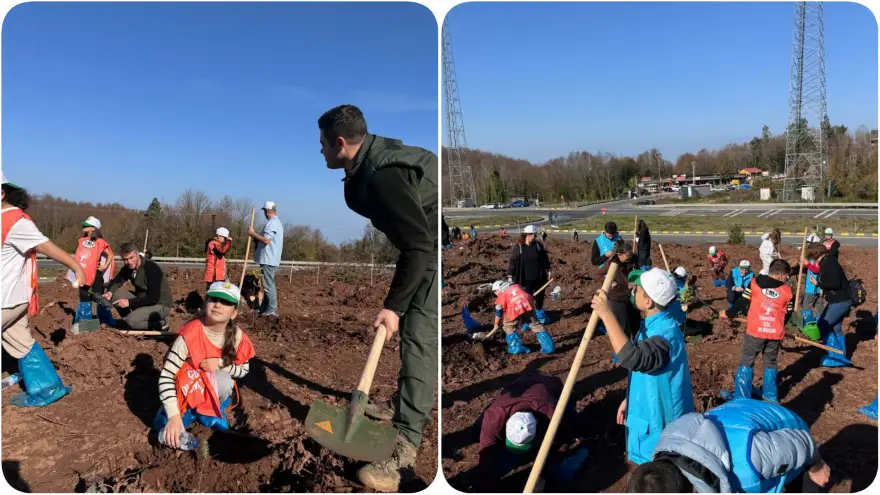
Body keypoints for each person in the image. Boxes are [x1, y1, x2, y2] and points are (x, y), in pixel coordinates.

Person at [318, 104, 437, 491]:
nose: (319, 150)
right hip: (419, 244)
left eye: (322, 143)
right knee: (408, 334)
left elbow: (419, 246)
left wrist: (394, 306)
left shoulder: (384, 173)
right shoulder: (367, 160)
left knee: (418, 339)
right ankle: (402, 407)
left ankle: (403, 449)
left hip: (432, 245)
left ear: (340, 143)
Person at [591, 268, 694, 464]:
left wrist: (606, 313)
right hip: (647, 410)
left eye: (637, 290)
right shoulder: (654, 324)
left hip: (660, 428)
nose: (632, 292)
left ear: (649, 301)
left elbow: (633, 357)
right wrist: (631, 399)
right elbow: (648, 373)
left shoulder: (665, 335)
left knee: (656, 477)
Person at [1, 175, 84, 407]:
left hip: (5, 300)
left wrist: (75, 265)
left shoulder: (15, 221)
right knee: (21, 342)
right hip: (12, 300)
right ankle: (48, 388)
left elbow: (45, 245)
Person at [629, 399, 831, 493]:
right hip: (741, 418)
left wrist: (818, 466)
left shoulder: (751, 457)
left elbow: (801, 443)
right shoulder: (669, 452)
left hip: (787, 434)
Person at [154, 282, 255, 449]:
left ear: (234, 313)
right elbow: (166, 375)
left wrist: (221, 364)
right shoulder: (190, 333)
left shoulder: (238, 338)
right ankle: (189, 412)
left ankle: (210, 411)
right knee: (163, 427)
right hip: (187, 389)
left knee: (225, 381)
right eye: (214, 299)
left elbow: (244, 370)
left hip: (212, 387)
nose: (218, 305)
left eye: (226, 302)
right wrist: (173, 416)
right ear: (205, 303)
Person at [473, 374, 582, 490]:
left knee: (571, 419)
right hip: (521, 384)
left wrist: (549, 468)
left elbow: (563, 439)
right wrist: (484, 481)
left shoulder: (551, 412)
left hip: (549, 384)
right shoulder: (493, 416)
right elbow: (486, 450)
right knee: (476, 433)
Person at [719, 259, 793, 402]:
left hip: (755, 331)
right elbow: (788, 313)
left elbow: (742, 302)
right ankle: (770, 397)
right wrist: (776, 324)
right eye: (787, 275)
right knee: (770, 363)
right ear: (782, 275)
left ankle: (741, 397)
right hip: (774, 334)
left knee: (746, 361)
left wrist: (728, 314)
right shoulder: (787, 291)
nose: (787, 278)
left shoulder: (754, 283)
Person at [103, 243, 174, 331]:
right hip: (144, 300)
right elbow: (116, 281)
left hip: (160, 304)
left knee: (132, 321)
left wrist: (129, 302)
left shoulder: (151, 268)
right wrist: (109, 292)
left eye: (131, 257)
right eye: (125, 259)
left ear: (137, 254)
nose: (129, 262)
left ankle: (161, 323)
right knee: (114, 293)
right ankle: (130, 319)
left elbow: (153, 298)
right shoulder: (128, 268)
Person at [805, 242, 852, 367]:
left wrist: (818, 284)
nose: (811, 259)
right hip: (838, 300)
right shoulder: (827, 261)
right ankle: (841, 355)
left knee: (823, 325)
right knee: (836, 328)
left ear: (816, 254)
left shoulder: (829, 263)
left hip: (840, 301)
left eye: (811, 256)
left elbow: (834, 283)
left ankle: (836, 357)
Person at [597, 240, 639, 362]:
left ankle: (635, 348)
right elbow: (598, 274)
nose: (629, 257)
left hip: (629, 297)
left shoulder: (631, 261)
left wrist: (635, 282)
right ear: (620, 254)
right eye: (627, 255)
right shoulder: (612, 263)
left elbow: (637, 273)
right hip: (616, 299)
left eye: (630, 255)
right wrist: (610, 282)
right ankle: (620, 354)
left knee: (635, 323)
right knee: (623, 326)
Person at [70, 216, 116, 328]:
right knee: (84, 297)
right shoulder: (81, 240)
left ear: (93, 228)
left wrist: (104, 266)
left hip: (96, 275)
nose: (83, 226)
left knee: (98, 296)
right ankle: (84, 324)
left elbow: (110, 254)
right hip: (82, 274)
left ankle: (106, 322)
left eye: (87, 225)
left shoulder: (100, 242)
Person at [490, 280, 553, 354]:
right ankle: (548, 347)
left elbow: (499, 311)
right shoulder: (516, 286)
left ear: (497, 290)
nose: (496, 294)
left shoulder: (501, 295)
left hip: (513, 307)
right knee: (535, 325)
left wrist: (496, 324)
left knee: (508, 327)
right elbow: (526, 294)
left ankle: (516, 348)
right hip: (527, 303)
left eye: (495, 292)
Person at [507, 225, 552, 326]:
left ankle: (540, 314)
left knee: (540, 298)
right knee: (527, 300)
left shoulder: (537, 245)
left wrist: (548, 270)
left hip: (539, 278)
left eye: (535, 235)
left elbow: (544, 258)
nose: (535, 237)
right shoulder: (518, 248)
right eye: (533, 235)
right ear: (527, 235)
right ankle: (527, 320)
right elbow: (512, 262)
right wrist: (510, 276)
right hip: (526, 280)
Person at [248, 202, 283, 319]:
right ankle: (264, 309)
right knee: (266, 284)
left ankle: (272, 310)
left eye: (264, 211)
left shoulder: (272, 223)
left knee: (268, 285)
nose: (264, 213)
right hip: (269, 259)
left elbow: (267, 240)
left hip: (269, 259)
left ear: (267, 211)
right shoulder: (275, 223)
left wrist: (253, 234)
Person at [204, 227, 232, 293]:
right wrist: (228, 242)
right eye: (224, 238)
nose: (225, 240)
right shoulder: (213, 243)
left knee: (217, 292)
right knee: (212, 292)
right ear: (219, 236)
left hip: (218, 274)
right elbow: (222, 252)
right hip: (213, 274)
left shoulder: (216, 244)